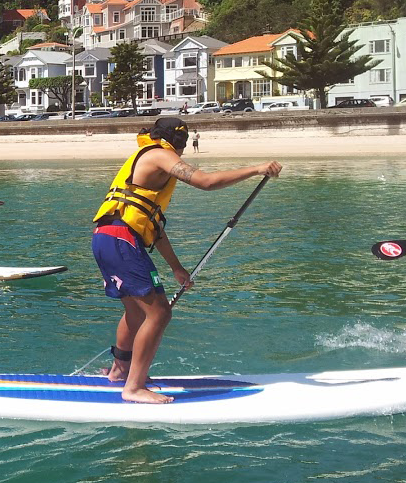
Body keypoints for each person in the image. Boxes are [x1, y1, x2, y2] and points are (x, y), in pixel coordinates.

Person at [91, 117, 282, 404]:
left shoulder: (150, 157)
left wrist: (176, 268)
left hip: (109, 237)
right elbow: (205, 182)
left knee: (136, 312)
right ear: (178, 141)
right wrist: (256, 169)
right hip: (121, 240)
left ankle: (120, 371)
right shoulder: (159, 154)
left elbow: (152, 225)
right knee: (160, 314)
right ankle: (134, 387)